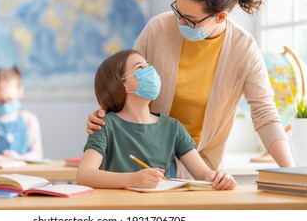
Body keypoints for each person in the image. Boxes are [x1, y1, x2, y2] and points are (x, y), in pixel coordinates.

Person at [86, 0, 295, 179]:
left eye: (190, 19)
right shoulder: (158, 29)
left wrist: (292, 174)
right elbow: (125, 78)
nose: (180, 22)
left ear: (221, 17)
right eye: (178, 11)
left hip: (203, 165)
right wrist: (104, 112)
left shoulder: (244, 49)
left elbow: (265, 115)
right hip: (146, 158)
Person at [77, 49, 236, 190]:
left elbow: (203, 173)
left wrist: (220, 178)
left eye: (148, 65)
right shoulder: (105, 125)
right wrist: (133, 179)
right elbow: (84, 175)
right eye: (140, 68)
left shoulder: (173, 127)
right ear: (123, 85)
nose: (151, 71)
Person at [0, 66, 44, 160]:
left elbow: (37, 154)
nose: (5, 104)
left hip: (24, 172)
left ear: (20, 91)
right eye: (0, 101)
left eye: (9, 99)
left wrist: (20, 158)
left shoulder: (29, 119)